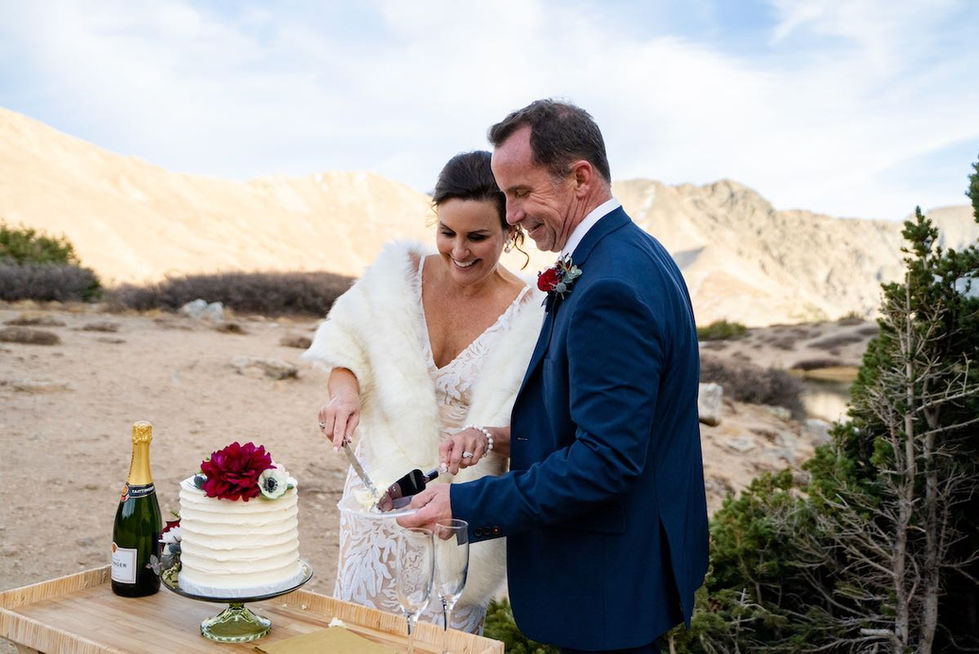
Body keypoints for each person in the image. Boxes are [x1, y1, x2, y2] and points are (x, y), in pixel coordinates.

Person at [399, 100, 709, 652]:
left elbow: (606, 459)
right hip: (630, 568)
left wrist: (465, 505)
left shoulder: (609, 287)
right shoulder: (635, 255)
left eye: (520, 193)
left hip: (608, 583)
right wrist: (500, 438)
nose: (511, 215)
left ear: (580, 178)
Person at [301, 150, 545, 633]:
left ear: (510, 231)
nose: (459, 250)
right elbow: (346, 348)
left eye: (478, 237)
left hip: (458, 516)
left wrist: (489, 436)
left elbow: (542, 421)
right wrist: (345, 395)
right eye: (447, 232)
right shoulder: (398, 274)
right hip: (378, 500)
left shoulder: (533, 313)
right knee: (358, 637)